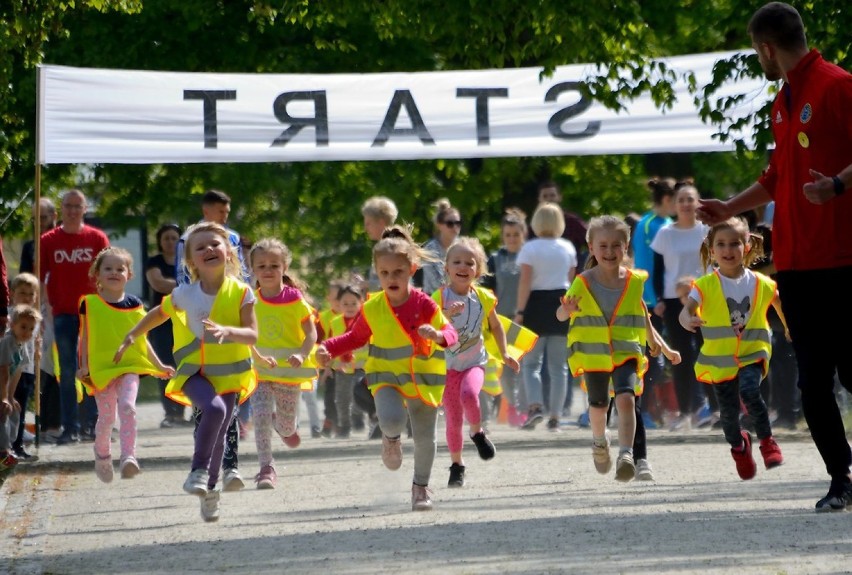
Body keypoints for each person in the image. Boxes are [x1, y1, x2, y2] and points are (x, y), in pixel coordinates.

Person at [697, 2, 852, 511]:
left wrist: (836, 185)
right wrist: (729, 207)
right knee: (812, 380)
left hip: (845, 258)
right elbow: (776, 178)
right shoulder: (783, 102)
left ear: (766, 48)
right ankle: (841, 481)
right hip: (798, 266)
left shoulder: (836, 85)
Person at [115, 222, 257, 522]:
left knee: (220, 433)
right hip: (195, 373)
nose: (209, 249)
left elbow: (252, 335)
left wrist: (228, 330)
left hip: (230, 374)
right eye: (200, 247)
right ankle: (198, 471)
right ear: (191, 261)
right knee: (214, 410)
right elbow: (159, 313)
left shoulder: (242, 292)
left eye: (215, 244)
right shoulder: (184, 294)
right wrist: (133, 334)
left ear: (229, 252)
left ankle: (210, 490)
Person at [316, 226, 457, 512]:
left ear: (412, 269)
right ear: (376, 273)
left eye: (398, 272)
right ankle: (390, 439)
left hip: (422, 377)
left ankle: (420, 487)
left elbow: (450, 332)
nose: (391, 279)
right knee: (391, 420)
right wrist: (328, 348)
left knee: (424, 435)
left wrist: (438, 336)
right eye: (384, 273)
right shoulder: (372, 307)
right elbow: (355, 338)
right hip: (385, 375)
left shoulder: (425, 304)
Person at [557, 216, 676, 480]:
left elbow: (642, 313)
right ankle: (600, 442)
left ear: (626, 247)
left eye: (616, 245)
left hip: (626, 350)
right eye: (603, 246)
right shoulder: (583, 281)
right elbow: (561, 315)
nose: (610, 252)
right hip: (594, 355)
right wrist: (566, 310)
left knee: (626, 398)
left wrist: (658, 344)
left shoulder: (634, 281)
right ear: (591, 247)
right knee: (598, 407)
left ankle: (626, 454)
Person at [678, 217, 787, 480]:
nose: (728, 250)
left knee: (750, 391)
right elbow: (685, 313)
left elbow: (779, 302)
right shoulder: (704, 285)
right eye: (721, 244)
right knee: (727, 416)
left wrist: (788, 327)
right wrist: (688, 320)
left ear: (747, 246)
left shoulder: (760, 282)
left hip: (753, 350)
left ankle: (768, 441)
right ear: (712, 249)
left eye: (735, 244)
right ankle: (740, 448)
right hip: (720, 360)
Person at [77, 247, 173, 483]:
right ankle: (102, 454)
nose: (114, 273)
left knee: (128, 407)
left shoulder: (135, 304)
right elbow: (84, 337)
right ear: (96, 274)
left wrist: (158, 365)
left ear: (129, 275)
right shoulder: (90, 303)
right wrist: (83, 366)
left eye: (120, 269)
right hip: (102, 370)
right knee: (107, 418)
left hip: (129, 366)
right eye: (108, 268)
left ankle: (129, 457)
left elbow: (142, 339)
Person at [432, 236, 520, 487]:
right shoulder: (438, 298)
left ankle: (477, 432)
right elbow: (430, 326)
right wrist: (447, 315)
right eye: (456, 262)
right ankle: (457, 465)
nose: (463, 267)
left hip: (474, 362)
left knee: (470, 395)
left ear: (478, 270)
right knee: (453, 418)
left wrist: (504, 354)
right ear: (446, 268)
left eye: (469, 263)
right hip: (447, 368)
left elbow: (496, 326)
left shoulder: (483, 297)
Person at [176, 189, 249, 491]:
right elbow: (182, 279)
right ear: (208, 210)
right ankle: (203, 465)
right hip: (198, 331)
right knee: (210, 409)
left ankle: (229, 465)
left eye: (227, 212)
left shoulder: (231, 239)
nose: (225, 217)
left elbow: (241, 273)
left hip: (230, 320)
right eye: (221, 211)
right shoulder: (188, 239)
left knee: (227, 406)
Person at [39, 189, 110, 445]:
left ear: (85, 208)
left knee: (92, 369)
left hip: (93, 313)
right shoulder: (48, 240)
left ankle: (93, 424)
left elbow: (109, 273)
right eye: (68, 206)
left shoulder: (97, 238)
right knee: (67, 371)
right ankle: (70, 427)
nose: (72, 210)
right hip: (63, 314)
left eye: (77, 206)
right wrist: (44, 306)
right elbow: (40, 277)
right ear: (61, 209)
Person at [249, 238, 318, 489]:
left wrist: (301, 354)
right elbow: (246, 334)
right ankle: (266, 467)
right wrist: (255, 355)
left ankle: (284, 426)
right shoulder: (250, 302)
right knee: (260, 415)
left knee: (287, 427)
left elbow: (311, 334)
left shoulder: (296, 300)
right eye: (261, 266)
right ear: (253, 270)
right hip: (260, 372)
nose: (268, 270)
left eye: (274, 265)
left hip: (290, 372)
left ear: (284, 267)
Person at [650, 181, 711, 431]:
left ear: (698, 204)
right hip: (674, 301)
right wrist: (659, 301)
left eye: (691, 199)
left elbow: (716, 264)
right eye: (682, 200)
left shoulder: (707, 230)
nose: (686, 204)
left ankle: (715, 409)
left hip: (704, 297)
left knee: (708, 353)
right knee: (681, 357)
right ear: (675, 205)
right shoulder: (665, 233)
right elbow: (657, 270)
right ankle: (685, 412)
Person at [515, 202, 577, 431]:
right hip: (562, 303)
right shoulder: (568, 248)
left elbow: (525, 281)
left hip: (535, 305)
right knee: (558, 367)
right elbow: (571, 282)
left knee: (531, 364)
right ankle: (556, 416)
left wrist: (520, 311)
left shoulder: (530, 249)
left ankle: (535, 407)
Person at [631, 178, 676, 428]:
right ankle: (641, 412)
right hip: (650, 303)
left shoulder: (669, 223)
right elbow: (645, 266)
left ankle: (647, 410)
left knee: (658, 363)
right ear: (667, 200)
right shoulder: (647, 225)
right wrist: (652, 298)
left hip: (666, 300)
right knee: (649, 361)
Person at [480, 208, 528, 427]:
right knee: (508, 369)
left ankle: (529, 408)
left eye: (515, 235)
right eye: (507, 235)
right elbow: (487, 289)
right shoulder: (495, 259)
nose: (511, 239)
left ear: (523, 234)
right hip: (502, 320)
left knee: (527, 367)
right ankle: (514, 407)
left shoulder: (529, 256)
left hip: (526, 318)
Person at [145, 223, 187, 428]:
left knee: (185, 364)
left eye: (174, 238)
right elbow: (158, 283)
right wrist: (184, 283)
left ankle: (184, 411)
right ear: (160, 241)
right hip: (161, 321)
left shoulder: (186, 261)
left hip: (184, 320)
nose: (170, 242)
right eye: (166, 238)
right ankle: (170, 413)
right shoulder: (154, 262)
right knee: (165, 365)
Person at [0, 304, 41, 485]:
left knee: (15, 411)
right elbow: (3, 370)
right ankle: (2, 453)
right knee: (2, 414)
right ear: (13, 325)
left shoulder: (23, 345)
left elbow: (17, 372)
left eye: (31, 329)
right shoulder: (7, 342)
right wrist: (3, 397)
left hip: (6, 387)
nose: (27, 332)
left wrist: (11, 396)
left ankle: (9, 447)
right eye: (23, 327)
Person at [327, 284, 367, 439]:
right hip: (342, 368)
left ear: (361, 303)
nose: (349, 307)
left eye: (353, 303)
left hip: (362, 367)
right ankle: (345, 426)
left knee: (357, 395)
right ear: (339, 304)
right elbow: (330, 344)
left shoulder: (365, 321)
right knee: (342, 398)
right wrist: (329, 365)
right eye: (345, 304)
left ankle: (360, 414)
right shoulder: (335, 322)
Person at [8, 273, 40, 460]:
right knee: (9, 407)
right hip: (10, 369)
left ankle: (18, 444)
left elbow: (35, 342)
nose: (27, 297)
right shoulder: (10, 316)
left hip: (27, 370)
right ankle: (7, 445)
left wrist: (37, 352)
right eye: (22, 293)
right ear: (13, 293)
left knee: (21, 408)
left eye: (31, 294)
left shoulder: (35, 318)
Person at [417, 198, 462, 296]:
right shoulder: (430, 250)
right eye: (450, 224)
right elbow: (436, 285)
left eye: (458, 223)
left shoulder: (463, 248)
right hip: (433, 301)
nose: (455, 227)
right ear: (439, 225)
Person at [361, 196, 399, 293]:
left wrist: (367, 284)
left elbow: (398, 283)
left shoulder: (394, 249)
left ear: (381, 223)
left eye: (368, 223)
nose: (365, 229)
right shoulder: (382, 247)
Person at [19, 198, 58, 275]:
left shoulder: (63, 242)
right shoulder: (29, 247)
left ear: (54, 216)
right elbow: (25, 277)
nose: (38, 223)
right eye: (35, 219)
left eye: (43, 218)